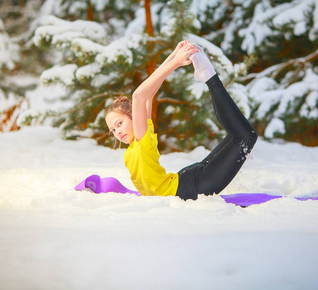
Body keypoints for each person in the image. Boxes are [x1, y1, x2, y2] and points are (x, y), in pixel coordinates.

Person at [105, 41, 257, 200]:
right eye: (113, 130)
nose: (118, 132)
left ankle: (210, 77)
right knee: (239, 137)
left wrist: (175, 59)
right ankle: (209, 75)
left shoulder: (141, 139)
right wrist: (174, 57)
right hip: (187, 181)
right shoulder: (134, 147)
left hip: (194, 185)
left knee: (245, 137)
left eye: (119, 123)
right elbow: (149, 94)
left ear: (134, 117)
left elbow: (140, 96)